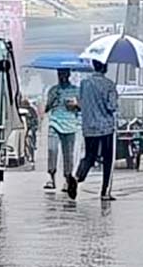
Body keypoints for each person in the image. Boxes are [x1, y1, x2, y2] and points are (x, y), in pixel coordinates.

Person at [67, 60, 118, 202]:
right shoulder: (109, 84)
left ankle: (77, 178)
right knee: (108, 160)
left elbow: (81, 103)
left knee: (89, 156)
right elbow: (112, 106)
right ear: (105, 68)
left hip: (89, 127)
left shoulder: (85, 84)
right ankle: (105, 192)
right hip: (106, 127)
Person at [44, 68, 80, 192]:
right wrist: (53, 99)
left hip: (70, 124)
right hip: (54, 123)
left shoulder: (76, 90)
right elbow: (46, 108)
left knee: (68, 154)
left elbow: (81, 107)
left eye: (64, 74)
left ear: (69, 74)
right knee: (52, 149)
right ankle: (51, 176)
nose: (62, 76)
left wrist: (75, 105)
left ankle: (67, 179)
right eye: (60, 74)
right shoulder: (53, 90)